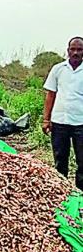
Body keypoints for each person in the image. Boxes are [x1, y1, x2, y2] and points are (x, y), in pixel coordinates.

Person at [42, 37, 83, 190]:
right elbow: (50, 95)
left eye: (79, 50)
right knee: (60, 160)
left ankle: (80, 195)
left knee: (82, 162)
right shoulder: (58, 69)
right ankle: (61, 192)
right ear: (68, 50)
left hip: (81, 123)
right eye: (73, 49)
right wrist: (46, 119)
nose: (76, 53)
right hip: (60, 122)